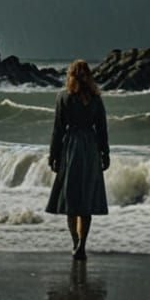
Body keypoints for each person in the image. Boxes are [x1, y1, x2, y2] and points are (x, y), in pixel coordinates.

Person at [45, 59, 110, 260]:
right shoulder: (96, 99)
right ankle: (82, 244)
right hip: (90, 149)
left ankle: (75, 241)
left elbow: (57, 130)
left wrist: (53, 155)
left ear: (70, 75)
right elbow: (102, 129)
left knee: (71, 200)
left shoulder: (63, 97)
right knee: (86, 200)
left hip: (71, 148)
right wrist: (105, 154)